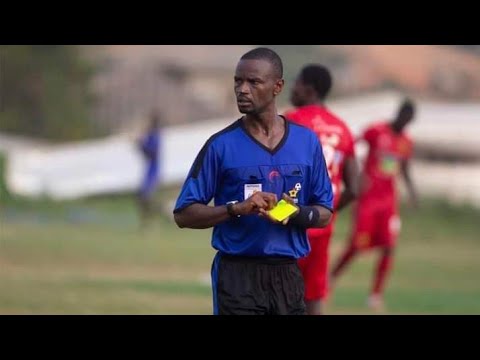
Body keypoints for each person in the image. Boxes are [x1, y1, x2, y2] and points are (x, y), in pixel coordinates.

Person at [173, 47, 334, 315]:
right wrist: (235, 208)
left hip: (289, 276)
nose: (242, 89)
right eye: (238, 81)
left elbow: (325, 213)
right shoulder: (220, 145)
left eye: (253, 82)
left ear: (277, 86)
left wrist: (293, 213)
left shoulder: (307, 143)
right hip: (237, 276)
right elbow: (183, 214)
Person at [284, 64, 359, 315]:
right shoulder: (342, 129)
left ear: (309, 88)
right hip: (321, 226)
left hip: (288, 222)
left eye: (296, 82)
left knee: (278, 293)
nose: (292, 87)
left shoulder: (290, 121)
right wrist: (324, 211)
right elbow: (355, 188)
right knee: (313, 296)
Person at [330, 99, 418, 312]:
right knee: (357, 245)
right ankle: (330, 279)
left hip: (388, 203)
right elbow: (352, 145)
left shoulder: (406, 141)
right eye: (403, 116)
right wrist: (356, 174)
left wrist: (413, 192)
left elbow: (404, 167)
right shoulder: (377, 130)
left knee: (389, 247)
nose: (404, 122)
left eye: (409, 120)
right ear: (399, 114)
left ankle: (375, 295)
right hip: (368, 200)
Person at [137, 111, 161, 227]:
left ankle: (154, 220)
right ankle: (147, 223)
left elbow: (151, 152)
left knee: (146, 198)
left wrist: (140, 143)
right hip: (149, 170)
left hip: (153, 171)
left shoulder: (155, 135)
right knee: (142, 198)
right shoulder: (151, 134)